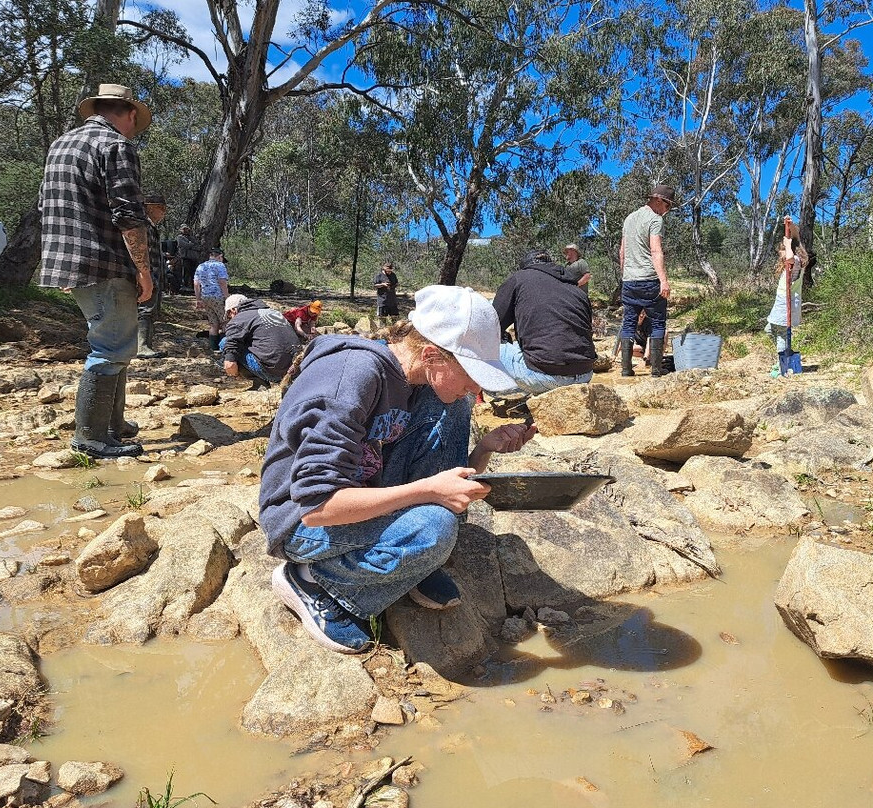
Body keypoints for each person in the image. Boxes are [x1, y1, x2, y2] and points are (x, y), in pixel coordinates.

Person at [260, 284, 536, 654]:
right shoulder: (352, 375)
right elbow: (316, 508)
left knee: (453, 406)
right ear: (431, 354)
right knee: (434, 528)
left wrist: (484, 449)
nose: (477, 387)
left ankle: (412, 565)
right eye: (471, 372)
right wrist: (427, 493)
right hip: (302, 521)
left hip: (362, 495)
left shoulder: (416, 380)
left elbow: (442, 474)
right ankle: (316, 582)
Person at [38, 83, 154, 460]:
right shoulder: (116, 146)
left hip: (70, 263)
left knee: (116, 343)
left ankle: (112, 425)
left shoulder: (61, 145)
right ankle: (91, 438)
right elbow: (128, 213)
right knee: (111, 348)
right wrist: (144, 270)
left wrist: (63, 264)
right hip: (104, 263)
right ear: (130, 113)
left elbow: (47, 206)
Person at [492, 248, 596, 394]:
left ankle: (482, 399)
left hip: (543, 375)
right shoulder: (576, 289)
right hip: (585, 373)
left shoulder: (519, 278)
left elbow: (491, 325)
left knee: (475, 348)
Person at [619, 185, 674, 377]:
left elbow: (622, 252)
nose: (667, 211)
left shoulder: (629, 218)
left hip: (629, 280)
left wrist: (624, 275)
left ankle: (626, 370)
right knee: (658, 323)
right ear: (658, 200)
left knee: (628, 323)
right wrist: (664, 280)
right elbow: (656, 250)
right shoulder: (655, 219)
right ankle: (656, 371)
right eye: (667, 206)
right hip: (649, 279)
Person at [221, 294, 303, 388]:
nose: (230, 319)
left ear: (233, 310)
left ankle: (260, 382)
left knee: (224, 342)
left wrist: (230, 362)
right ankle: (261, 381)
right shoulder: (273, 312)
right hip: (295, 369)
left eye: (228, 315)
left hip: (275, 373)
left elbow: (231, 344)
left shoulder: (240, 318)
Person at [766, 216, 808, 376]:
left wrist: (788, 244)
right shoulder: (794, 261)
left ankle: (782, 365)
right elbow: (797, 236)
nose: (780, 252)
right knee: (769, 329)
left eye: (781, 250)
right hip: (783, 304)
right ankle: (784, 353)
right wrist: (790, 226)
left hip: (786, 305)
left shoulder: (795, 260)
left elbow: (790, 256)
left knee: (781, 334)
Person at [135, 193, 167, 359]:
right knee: (144, 311)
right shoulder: (143, 226)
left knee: (150, 311)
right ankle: (142, 347)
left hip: (153, 276)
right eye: (161, 208)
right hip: (145, 277)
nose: (163, 213)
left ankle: (146, 345)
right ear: (150, 207)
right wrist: (143, 275)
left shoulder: (151, 227)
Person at [194, 247, 229, 351]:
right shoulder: (220, 265)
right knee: (225, 322)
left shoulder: (201, 266)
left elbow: (196, 284)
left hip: (206, 297)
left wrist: (198, 299)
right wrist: (227, 296)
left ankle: (214, 348)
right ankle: (225, 348)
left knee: (213, 324)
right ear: (220, 256)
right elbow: (222, 282)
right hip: (218, 296)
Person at [177, 224, 200, 292]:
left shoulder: (192, 238)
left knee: (194, 273)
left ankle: (194, 287)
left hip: (193, 257)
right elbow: (184, 245)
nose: (186, 230)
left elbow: (197, 246)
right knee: (186, 273)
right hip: (185, 257)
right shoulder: (179, 237)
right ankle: (185, 287)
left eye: (186, 229)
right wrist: (190, 245)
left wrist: (190, 245)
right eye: (184, 229)